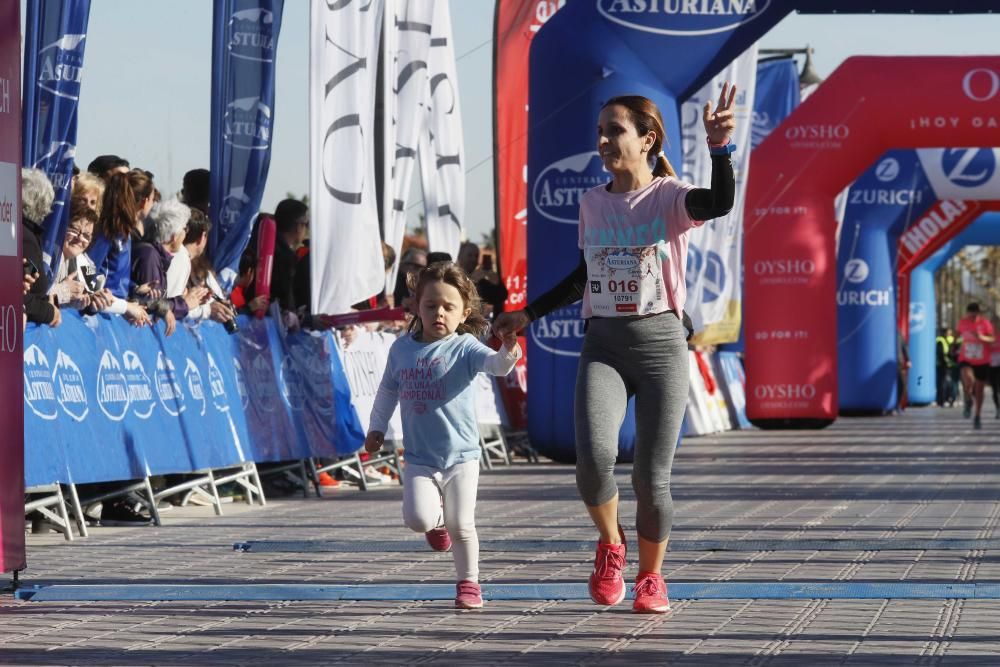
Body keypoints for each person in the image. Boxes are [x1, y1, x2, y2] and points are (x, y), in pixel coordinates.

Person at [493, 87, 737, 613]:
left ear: (647, 139)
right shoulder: (592, 202)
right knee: (593, 462)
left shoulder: (672, 197)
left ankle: (651, 578)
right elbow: (587, 274)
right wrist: (529, 313)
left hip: (660, 349)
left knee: (651, 480)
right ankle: (610, 544)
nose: (603, 140)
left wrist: (720, 149)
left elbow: (718, 203)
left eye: (615, 131)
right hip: (603, 345)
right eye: (600, 131)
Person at [364, 263, 521, 609]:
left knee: (462, 523)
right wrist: (376, 427)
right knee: (417, 519)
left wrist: (508, 350)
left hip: (462, 457)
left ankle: (469, 583)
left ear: (464, 311)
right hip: (419, 457)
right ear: (416, 306)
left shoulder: (465, 346)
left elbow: (497, 366)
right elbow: (388, 391)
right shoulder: (401, 350)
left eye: (448, 307)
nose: (439, 313)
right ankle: (436, 524)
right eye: (431, 305)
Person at [87, 169, 156, 300]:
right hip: (100, 313)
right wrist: (97, 296)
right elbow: (88, 270)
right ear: (144, 202)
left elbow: (117, 278)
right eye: (153, 200)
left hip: (115, 311)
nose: (153, 204)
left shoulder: (125, 233)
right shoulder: (109, 231)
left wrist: (135, 289)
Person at [21, 168, 59, 328]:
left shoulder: (25, 235)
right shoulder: (25, 239)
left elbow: (28, 277)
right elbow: (20, 293)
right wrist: (50, 313)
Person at [957, 302, 995, 430]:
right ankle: (968, 400)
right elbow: (958, 335)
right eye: (970, 313)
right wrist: (954, 345)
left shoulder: (985, 324)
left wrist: (981, 337)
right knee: (968, 379)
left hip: (982, 360)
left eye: (975, 313)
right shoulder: (963, 322)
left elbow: (992, 339)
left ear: (978, 313)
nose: (972, 316)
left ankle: (977, 415)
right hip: (966, 358)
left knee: (979, 390)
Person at [458, 242, 508, 318]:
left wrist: (497, 283)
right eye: (470, 255)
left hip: (475, 326)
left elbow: (500, 297)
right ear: (460, 256)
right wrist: (471, 281)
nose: (473, 259)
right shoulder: (452, 277)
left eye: (476, 256)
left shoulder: (480, 281)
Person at [936, 327, 956, 407]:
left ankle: (946, 399)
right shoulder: (941, 340)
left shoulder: (947, 340)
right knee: (944, 383)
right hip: (944, 365)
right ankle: (943, 400)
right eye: (948, 333)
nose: (949, 335)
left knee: (946, 383)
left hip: (948, 365)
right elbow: (941, 353)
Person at [990, 314, 1000, 420]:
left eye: (996, 322)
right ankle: (998, 408)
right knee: (994, 389)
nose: (994, 325)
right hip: (991, 364)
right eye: (992, 323)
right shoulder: (988, 335)